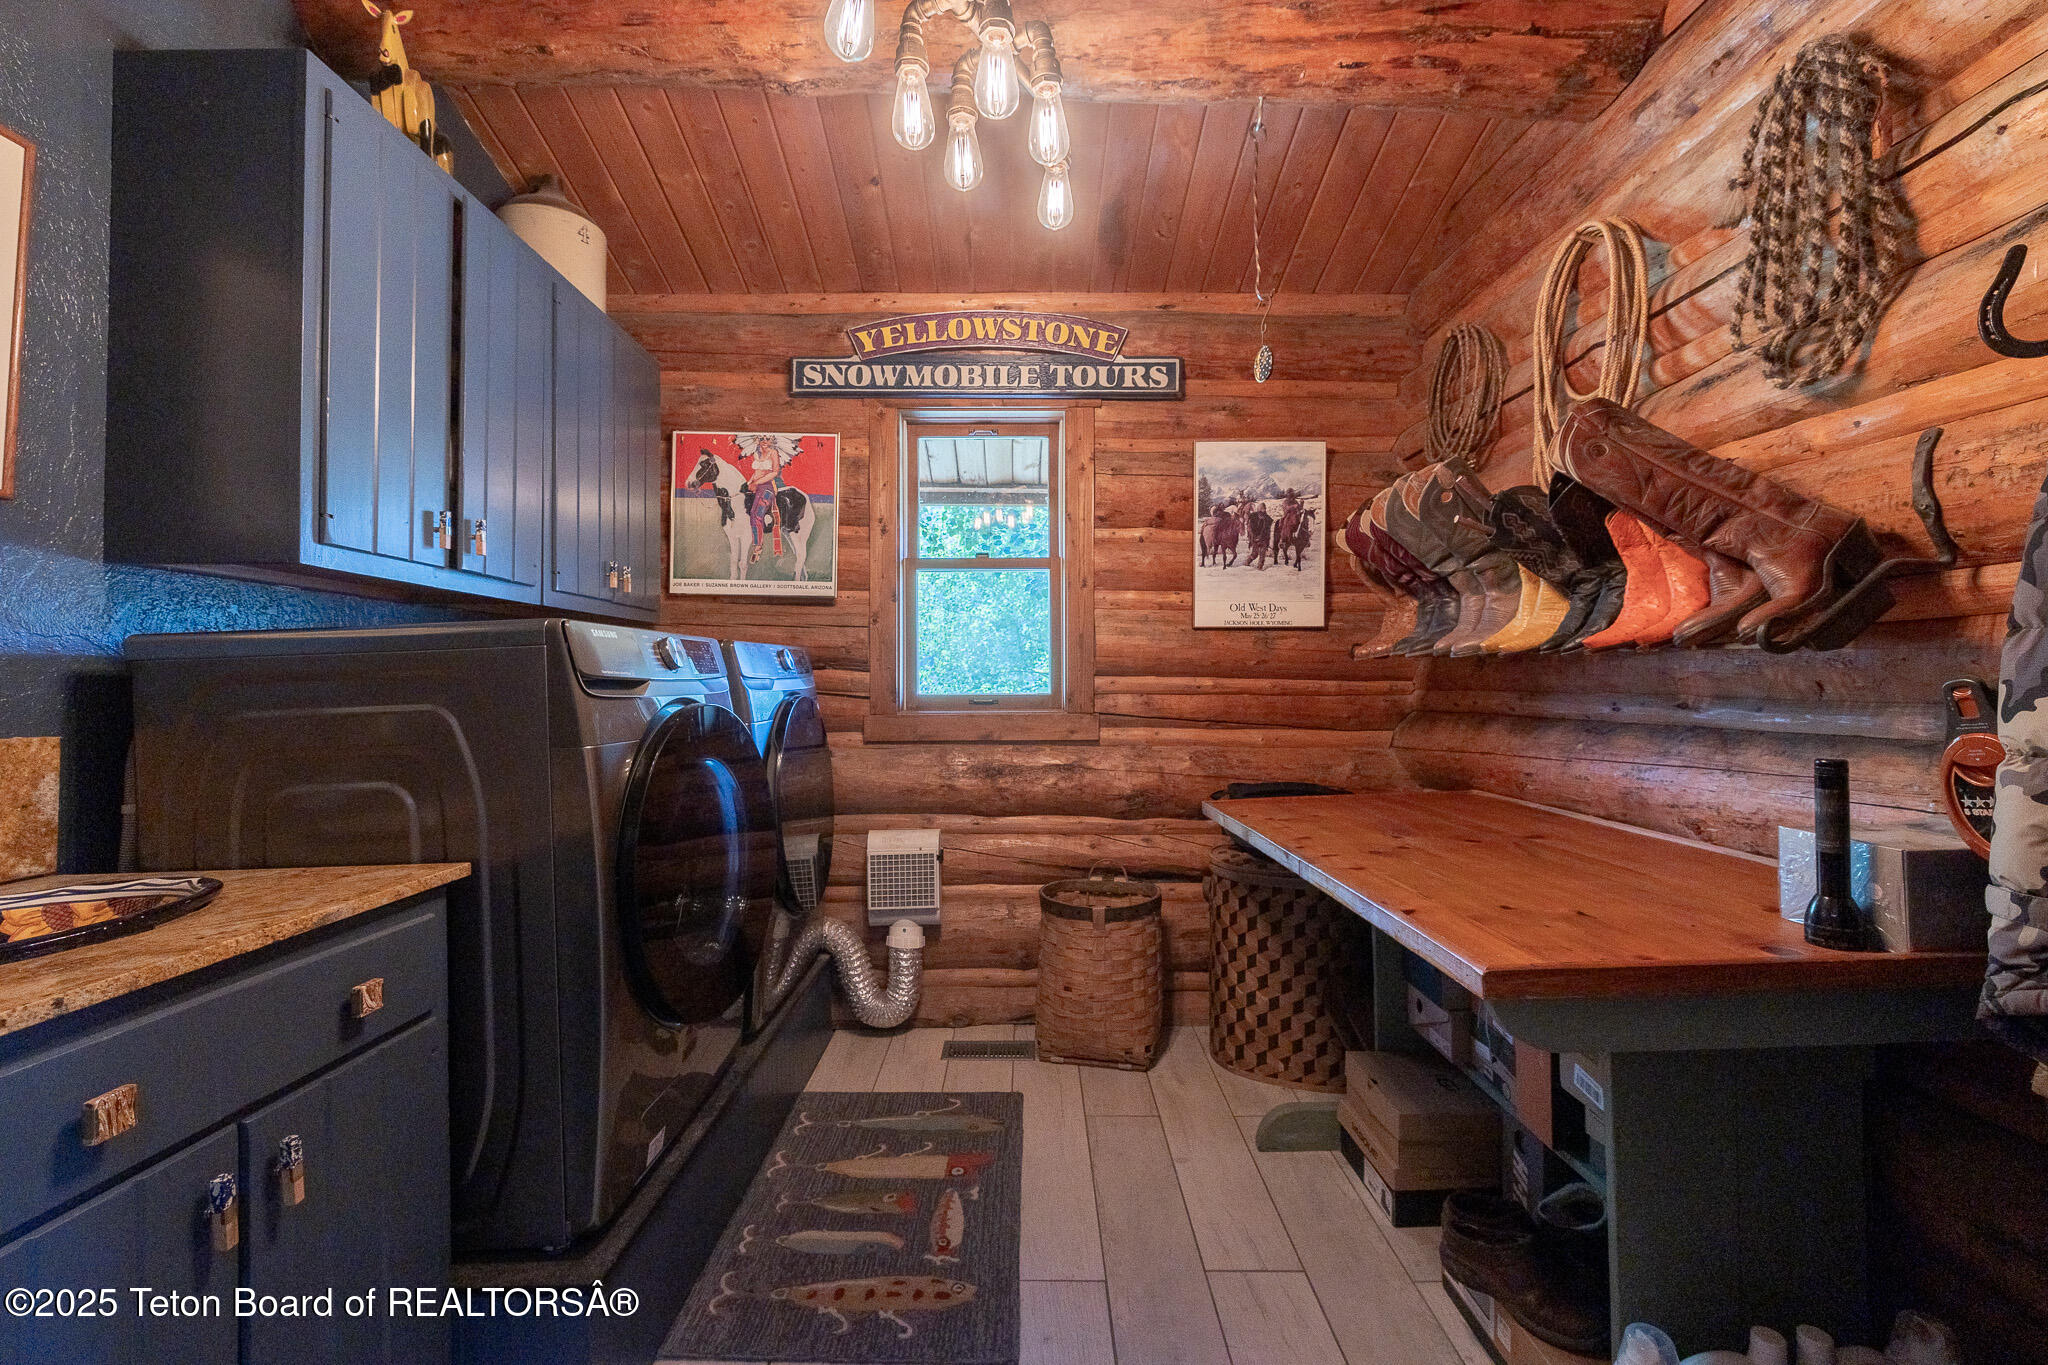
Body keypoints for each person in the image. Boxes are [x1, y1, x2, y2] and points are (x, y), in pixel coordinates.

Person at [734, 434, 802, 564]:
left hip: (767, 488)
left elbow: (774, 472)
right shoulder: (756, 453)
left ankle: (758, 547)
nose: (764, 442)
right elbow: (756, 472)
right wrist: (749, 483)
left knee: (755, 514)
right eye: (761, 439)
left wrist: (756, 483)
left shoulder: (773, 453)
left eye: (767, 439)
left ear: (771, 441)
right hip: (756, 485)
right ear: (757, 440)